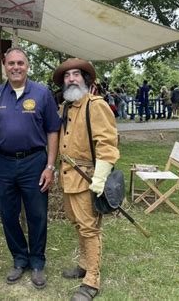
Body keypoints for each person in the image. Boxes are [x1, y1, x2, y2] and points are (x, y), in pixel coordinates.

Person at [0, 47, 60, 289]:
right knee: (8, 215)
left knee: (37, 214)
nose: (15, 67)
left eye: (20, 63)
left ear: (27, 66)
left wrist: (50, 166)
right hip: (4, 163)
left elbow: (53, 130)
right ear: (4, 65)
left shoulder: (42, 93)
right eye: (11, 63)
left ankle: (37, 262)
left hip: (35, 162)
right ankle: (19, 258)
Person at [52, 58, 120, 301]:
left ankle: (91, 280)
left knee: (90, 229)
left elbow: (108, 145)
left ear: (86, 79)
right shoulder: (66, 107)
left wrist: (99, 179)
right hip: (68, 178)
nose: (71, 79)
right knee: (78, 224)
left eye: (76, 75)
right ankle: (83, 264)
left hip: (87, 178)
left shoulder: (96, 105)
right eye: (67, 76)